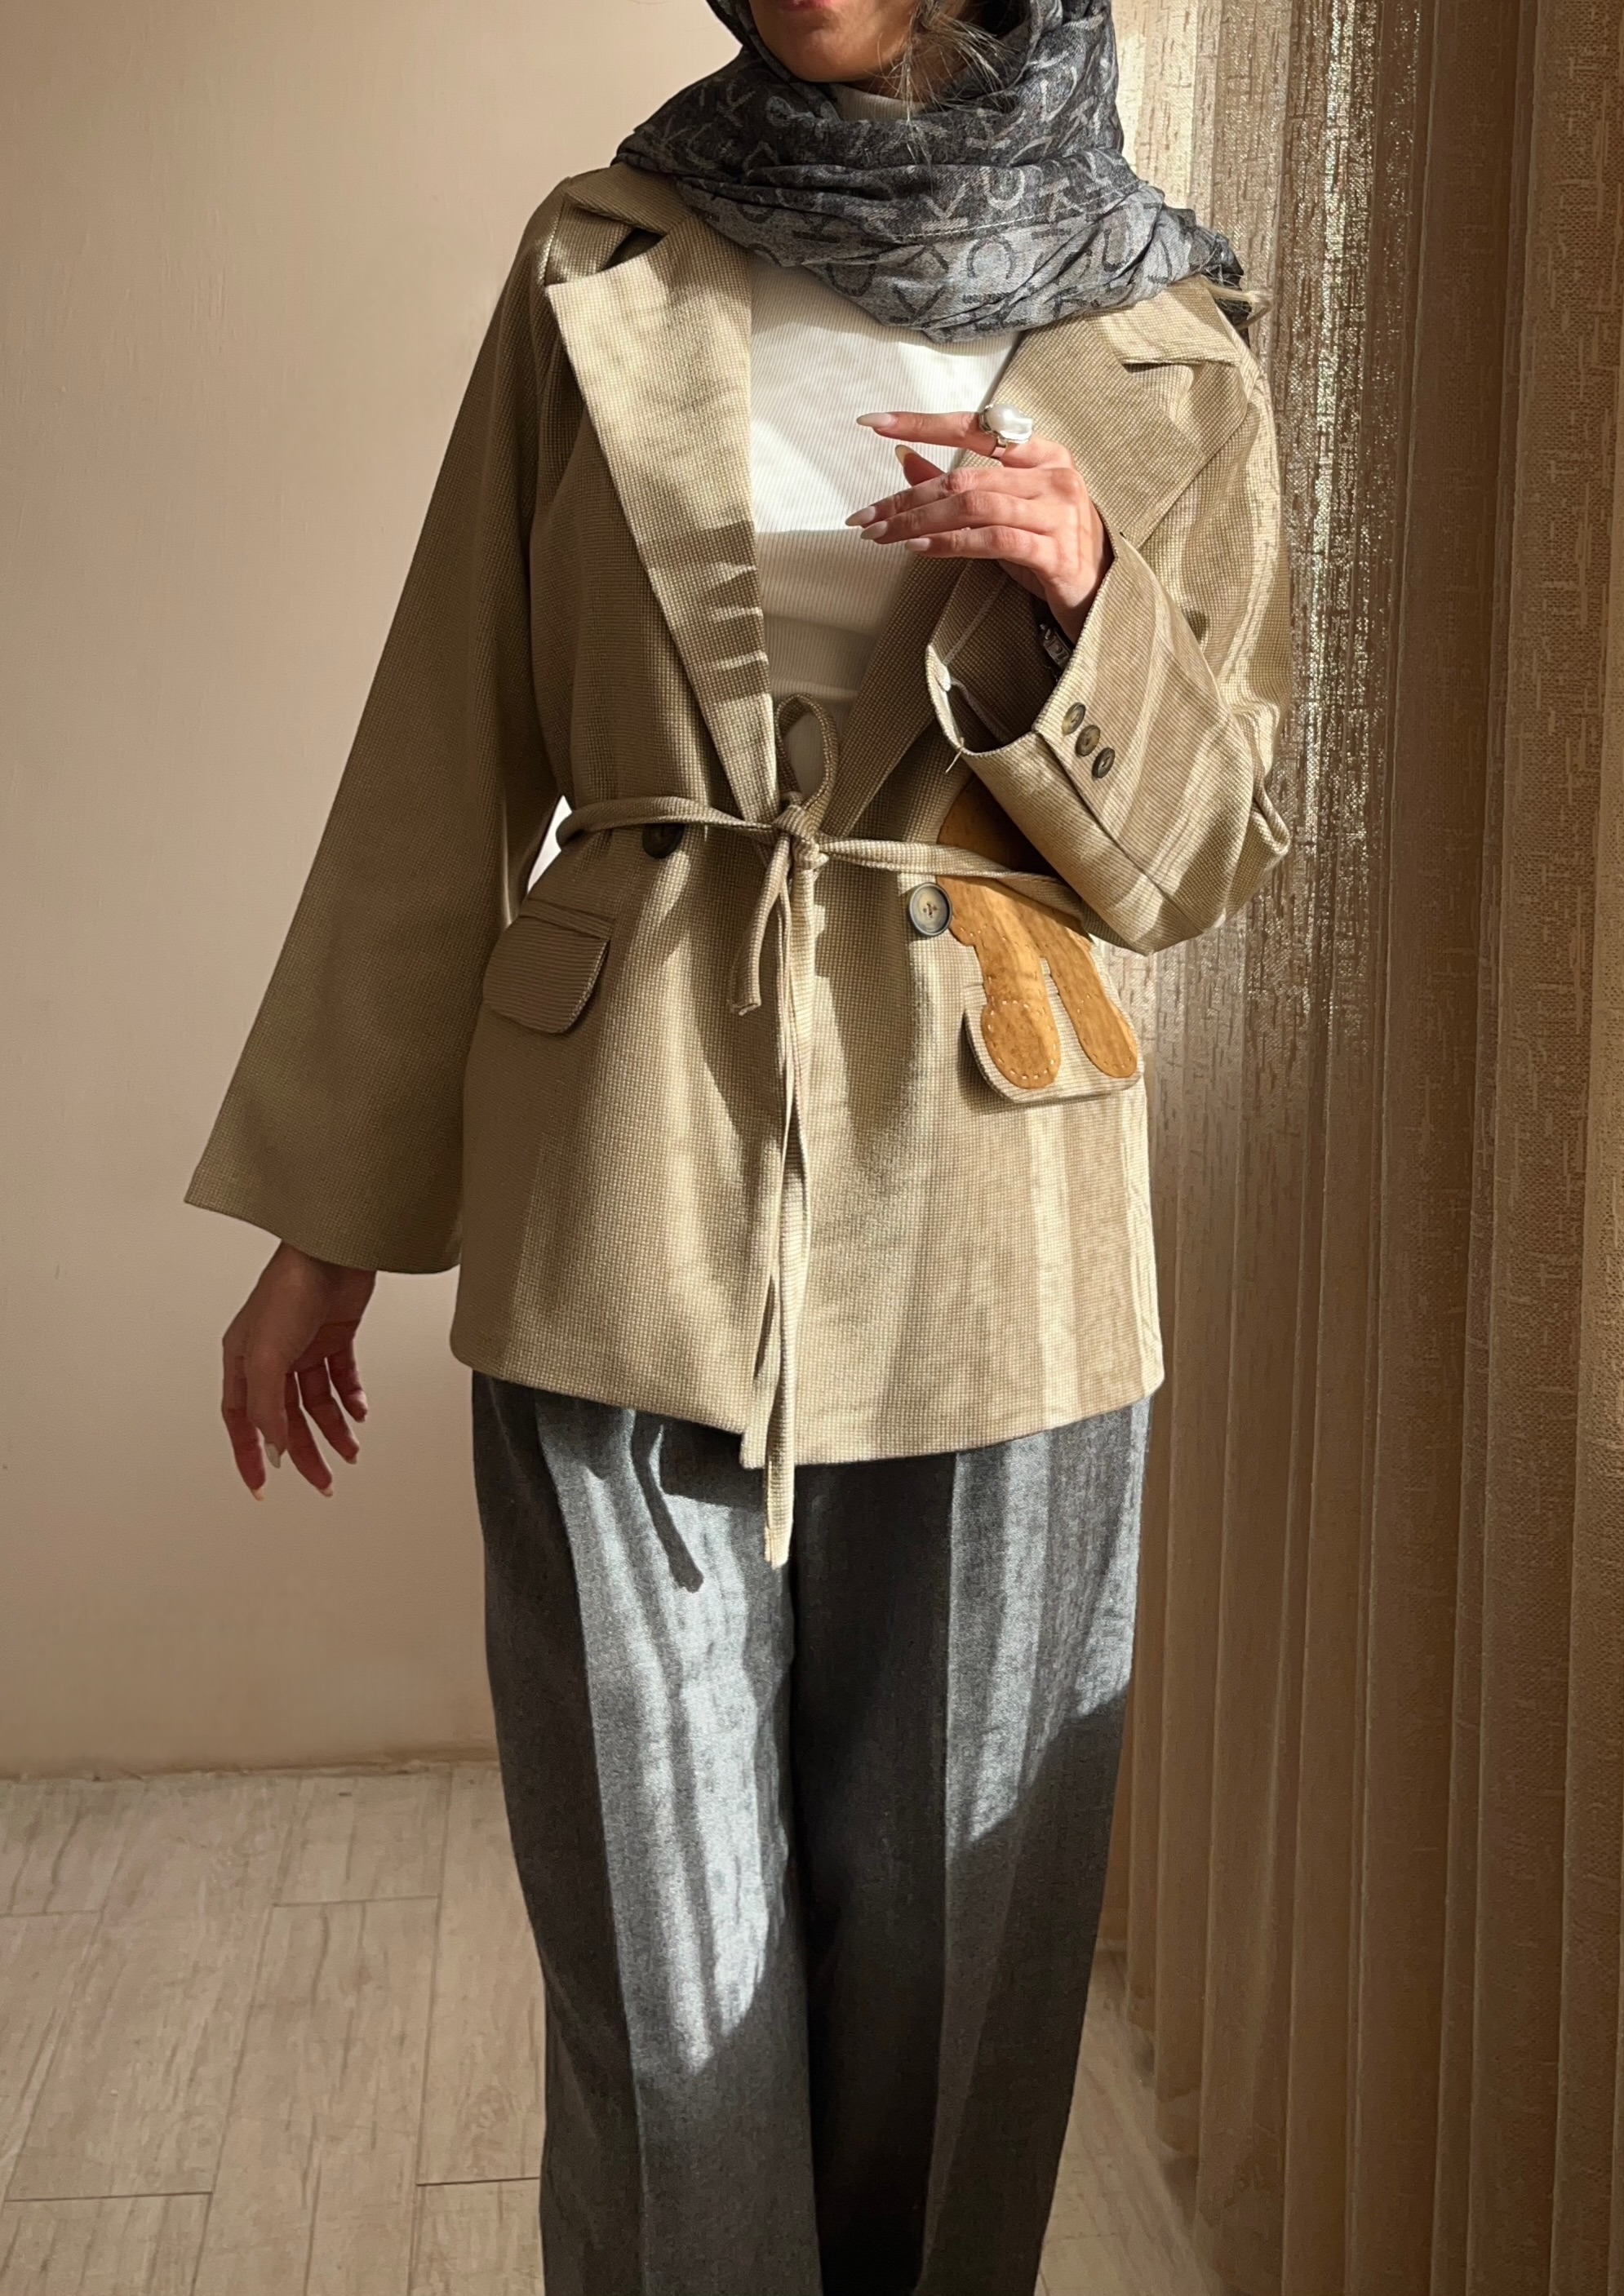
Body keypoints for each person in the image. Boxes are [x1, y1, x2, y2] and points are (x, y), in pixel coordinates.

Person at [187, 0, 1291, 2286]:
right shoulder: (609, 252)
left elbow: (1201, 862)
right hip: (622, 1158)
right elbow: (444, 741)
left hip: (1004, 1194)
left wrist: (1086, 594)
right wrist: (329, 1220)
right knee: (657, 1959)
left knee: (960, 1938)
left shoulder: (1171, 334)